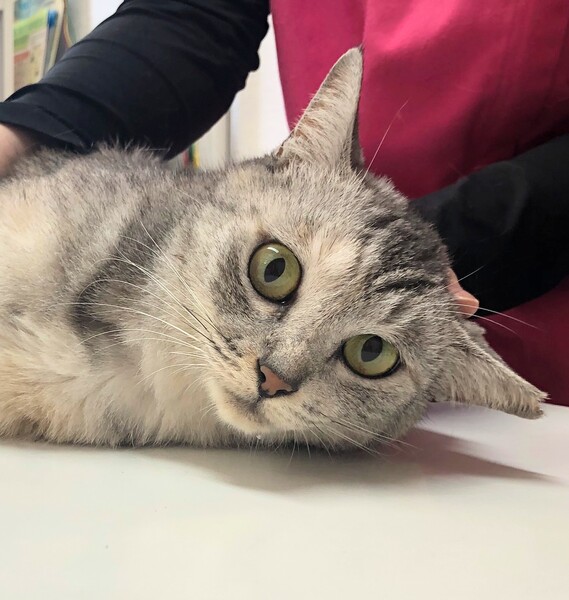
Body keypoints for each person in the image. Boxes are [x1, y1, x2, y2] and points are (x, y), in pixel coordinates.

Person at [0, 0, 567, 404]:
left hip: (523, 315)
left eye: (368, 350)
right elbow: (195, 12)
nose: (277, 372)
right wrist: (23, 129)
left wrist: (425, 281)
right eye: (275, 274)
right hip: (320, 218)